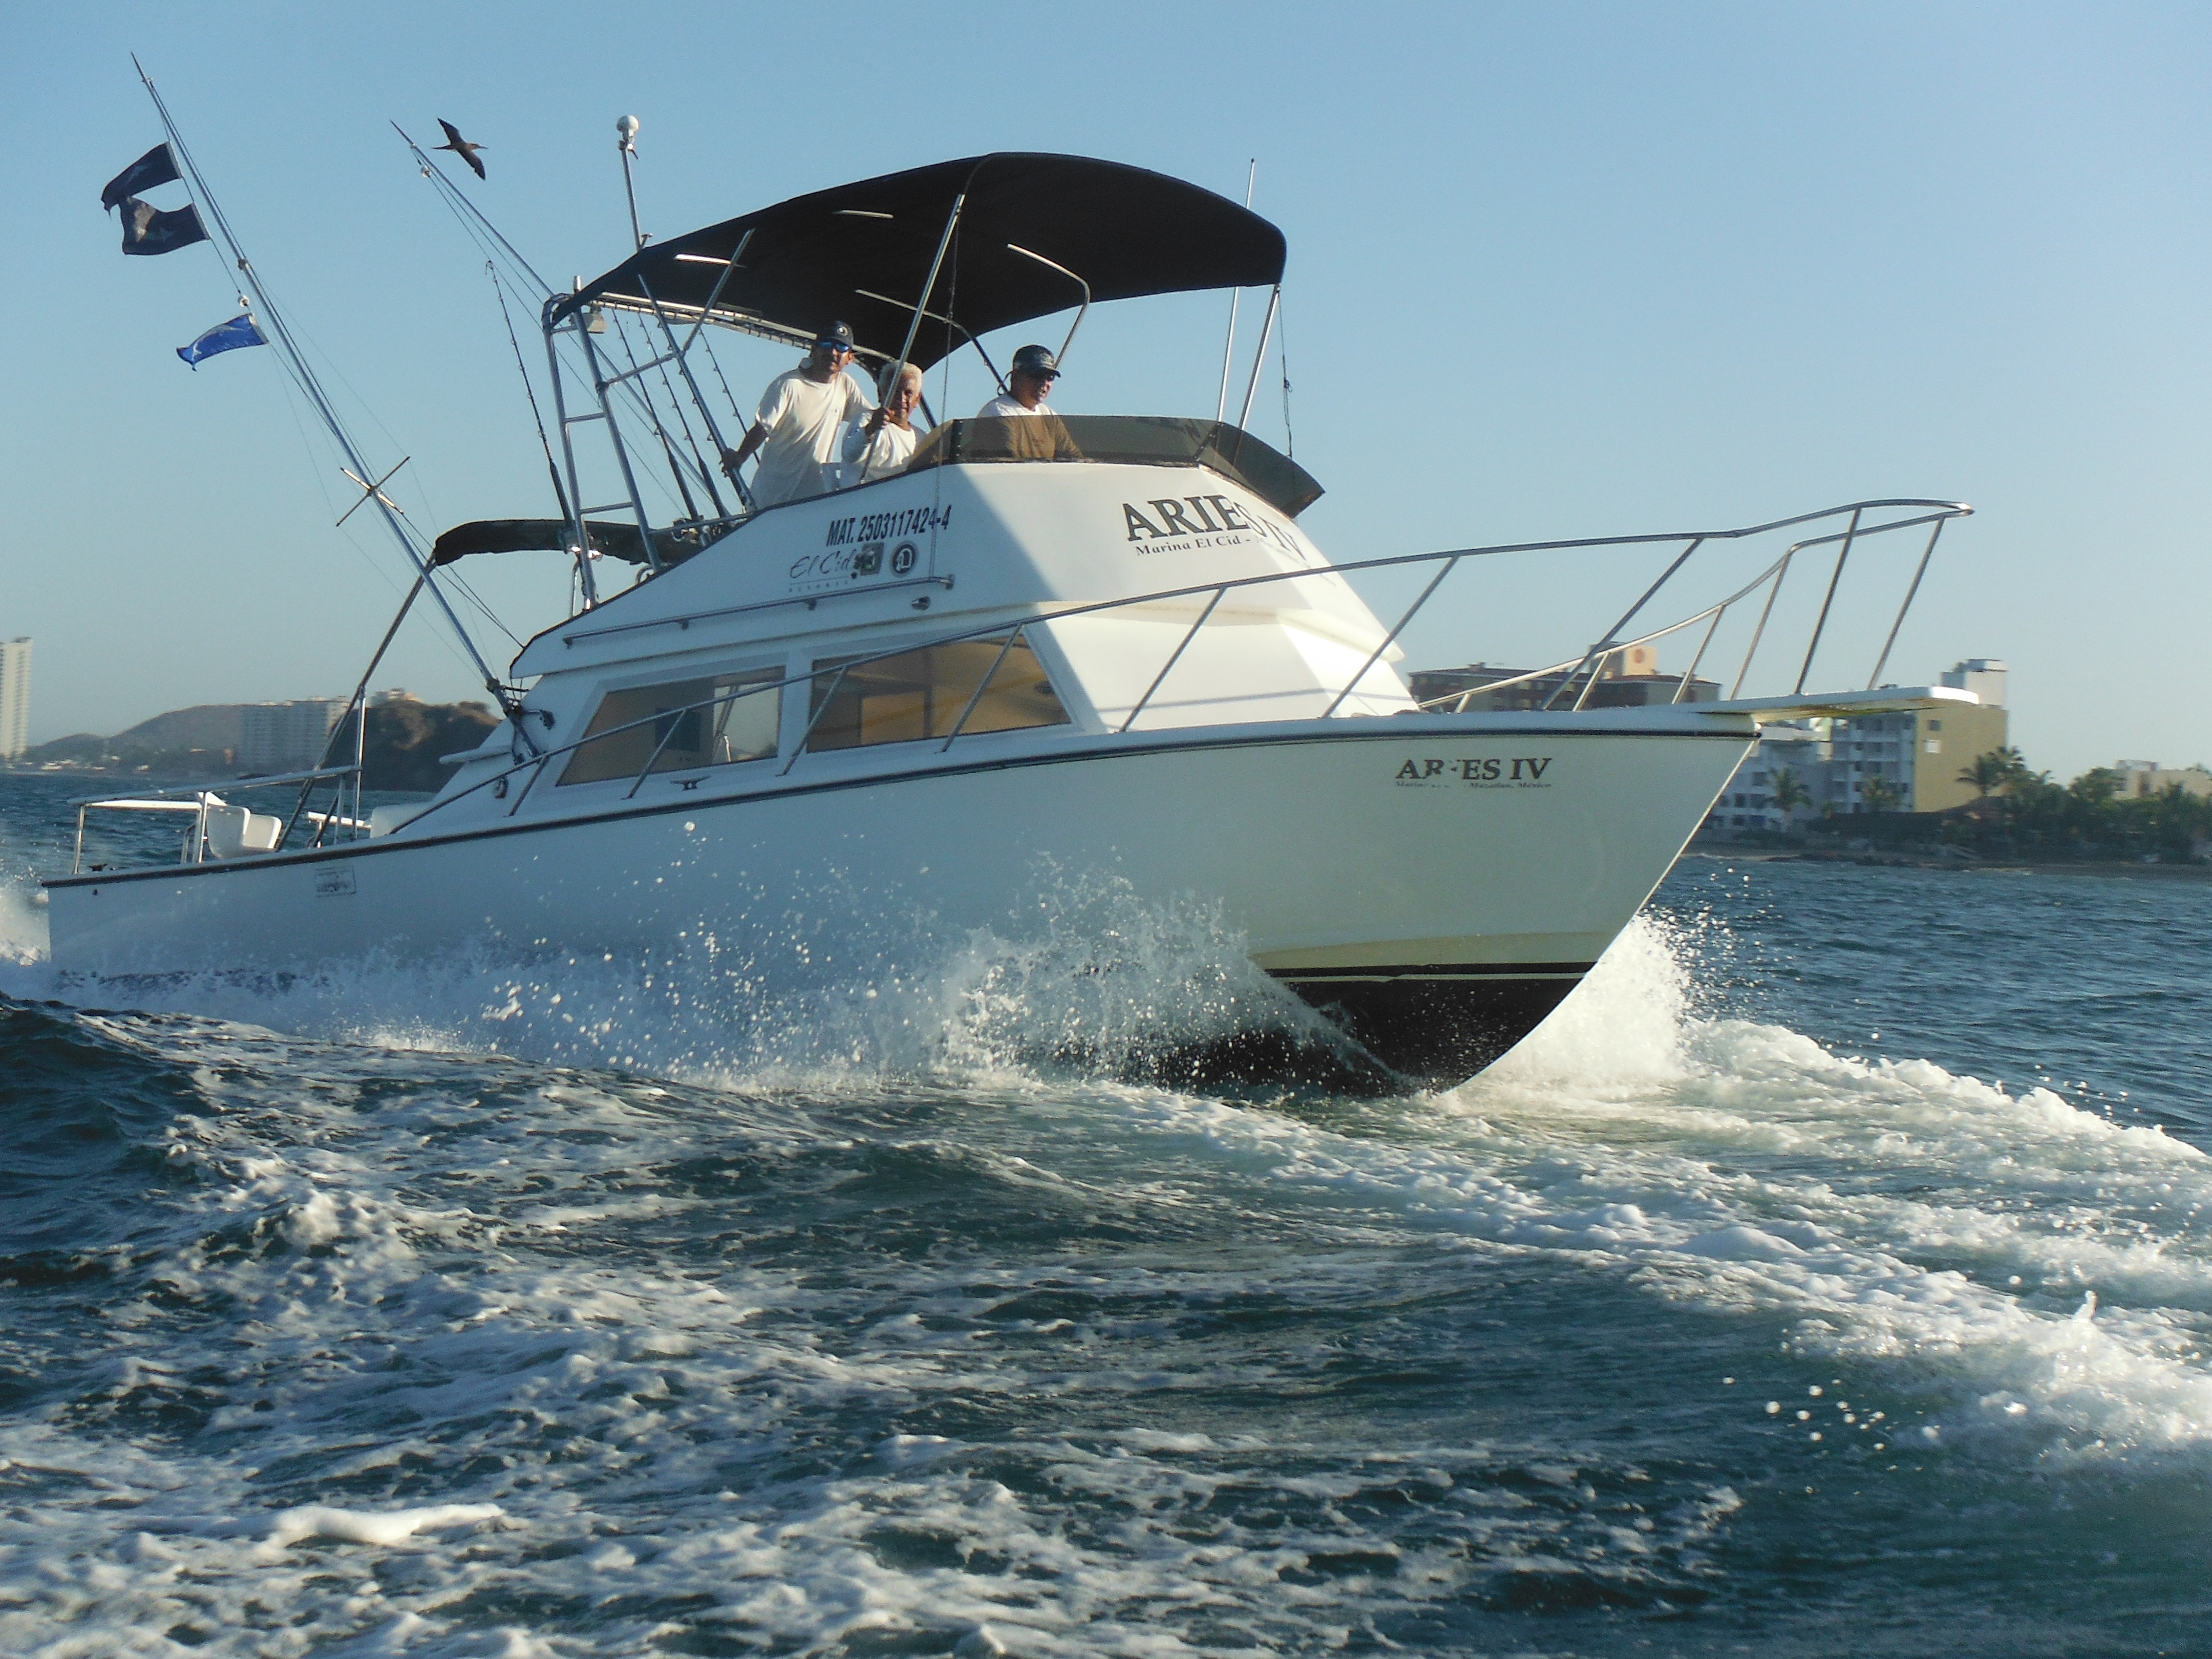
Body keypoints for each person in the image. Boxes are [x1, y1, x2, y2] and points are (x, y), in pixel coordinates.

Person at [720, 322, 875, 506]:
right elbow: (763, 428)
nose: (833, 352)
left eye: (841, 347)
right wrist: (740, 456)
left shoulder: (846, 385)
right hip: (770, 501)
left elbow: (870, 417)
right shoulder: (788, 384)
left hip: (813, 501)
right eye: (827, 345)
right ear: (814, 350)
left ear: (850, 358)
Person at [844, 361, 925, 484]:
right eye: (895, 391)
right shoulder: (866, 420)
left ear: (917, 400)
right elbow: (850, 454)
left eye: (908, 393)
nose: (901, 398)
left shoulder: (921, 437)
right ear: (880, 394)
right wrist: (870, 429)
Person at [977, 343, 1058, 417]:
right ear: (1015, 377)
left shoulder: (1049, 415)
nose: (1044, 382)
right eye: (1037, 375)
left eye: (1050, 377)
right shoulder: (997, 413)